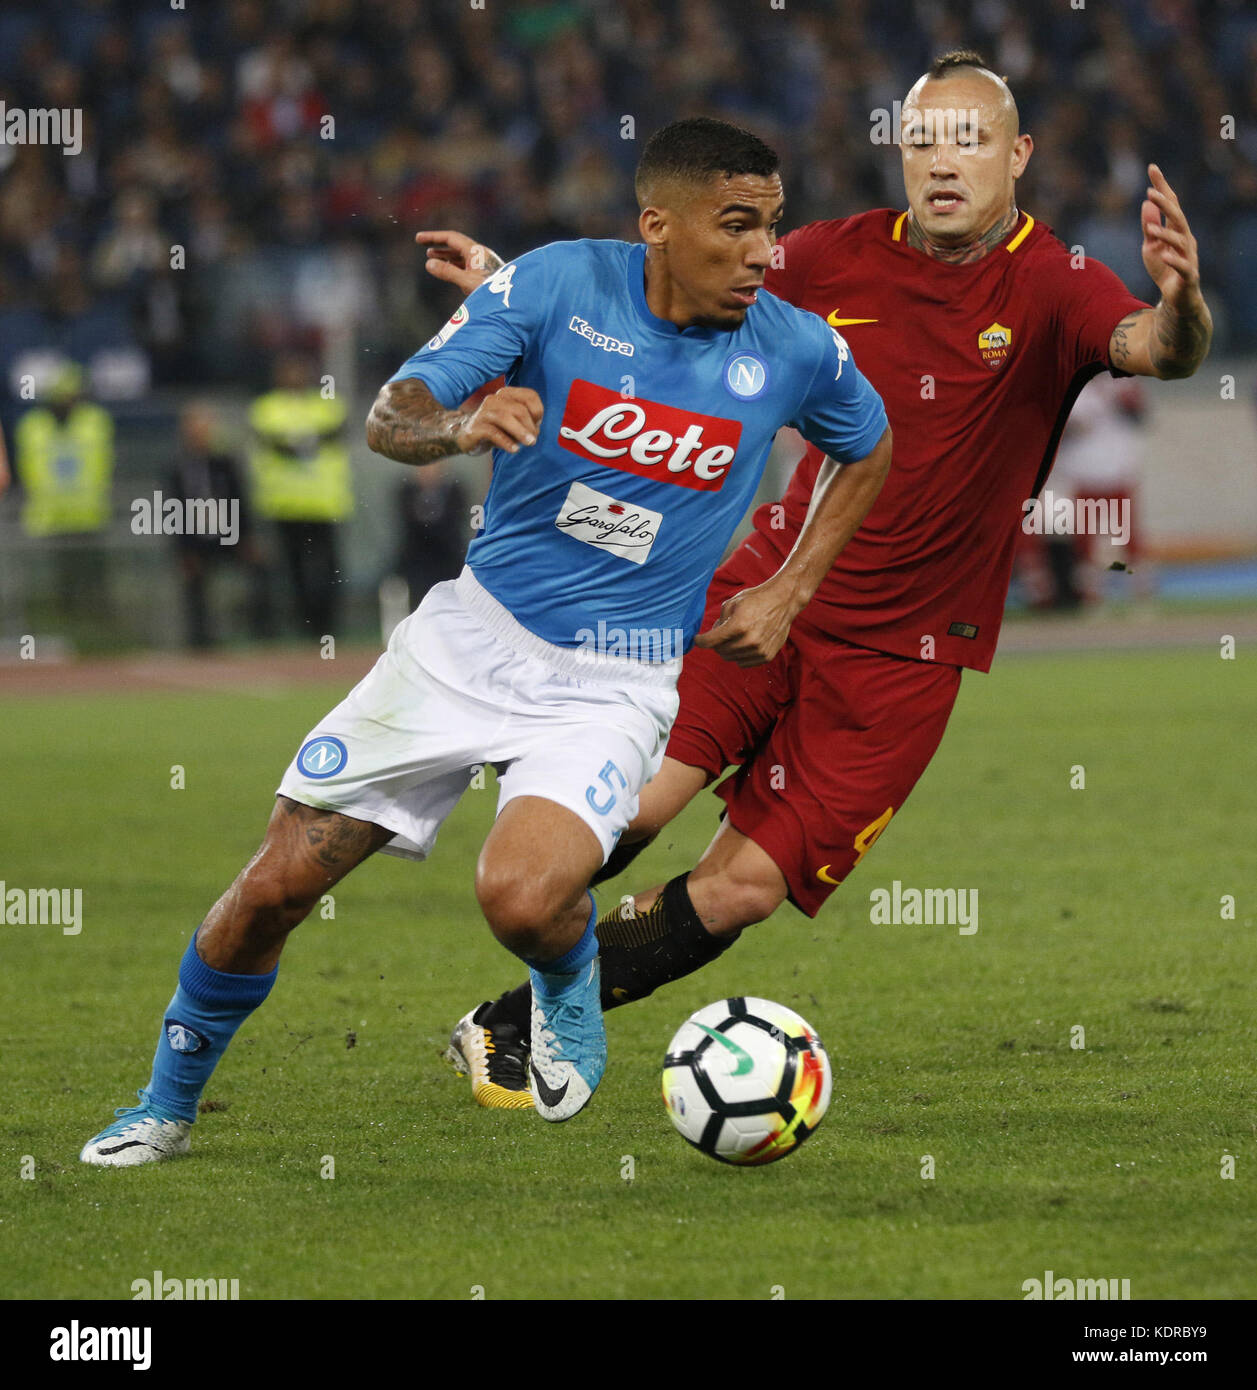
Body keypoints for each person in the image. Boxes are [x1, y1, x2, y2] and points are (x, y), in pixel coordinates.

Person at [79, 117, 891, 1163]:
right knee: (275, 884)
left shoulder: (793, 348)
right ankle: (164, 1104)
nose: (763, 254)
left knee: (520, 896)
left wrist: (791, 587)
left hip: (615, 680)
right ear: (659, 224)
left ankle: (564, 988)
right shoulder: (555, 286)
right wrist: (460, 427)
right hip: (469, 641)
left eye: (772, 228)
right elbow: (392, 412)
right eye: (736, 227)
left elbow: (867, 448)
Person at [433, 50, 1213, 1110]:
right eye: (923, 140)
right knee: (636, 806)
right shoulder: (825, 257)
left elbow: (1154, 348)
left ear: (1017, 155)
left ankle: (510, 1025)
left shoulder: (1052, 279)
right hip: (769, 596)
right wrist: (515, 285)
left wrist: (1182, 303)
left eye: (971, 140)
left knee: (744, 887)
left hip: (908, 660)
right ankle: (527, 887)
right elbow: (672, 277)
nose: (944, 163)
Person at [247, 353, 352, 638]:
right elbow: (276, 440)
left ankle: (328, 629)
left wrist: (295, 441)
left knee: (328, 570)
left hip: (324, 504)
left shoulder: (326, 406)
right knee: (294, 573)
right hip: (286, 506)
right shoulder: (267, 407)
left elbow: (333, 430)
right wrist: (309, 440)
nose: (294, 377)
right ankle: (305, 629)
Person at [13, 363, 116, 620]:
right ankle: (60, 629)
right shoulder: (32, 426)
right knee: (54, 591)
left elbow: (104, 465)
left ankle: (95, 633)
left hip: (89, 516)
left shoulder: (95, 421)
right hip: (48, 520)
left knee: (93, 587)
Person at [167, 401, 268, 649]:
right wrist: (184, 550)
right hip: (196, 539)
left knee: (260, 572)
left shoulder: (224, 463)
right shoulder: (178, 468)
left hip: (227, 535)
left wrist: (246, 537)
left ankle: (263, 632)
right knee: (195, 584)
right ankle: (201, 641)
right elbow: (173, 510)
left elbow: (238, 500)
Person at [394, 460, 470, 610]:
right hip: (417, 561)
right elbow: (410, 529)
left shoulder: (455, 491)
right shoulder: (406, 492)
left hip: (448, 560)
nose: (429, 471)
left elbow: (452, 527)